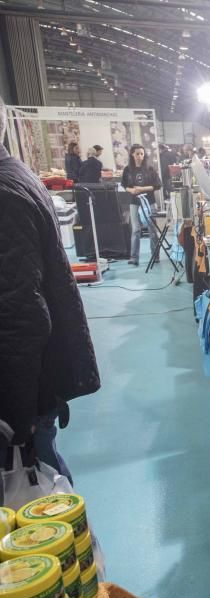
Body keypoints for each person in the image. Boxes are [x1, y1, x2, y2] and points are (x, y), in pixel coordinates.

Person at [0, 96, 101, 490]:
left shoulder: (6, 193)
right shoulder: (14, 175)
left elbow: (19, 311)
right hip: (31, 387)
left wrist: (16, 414)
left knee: (39, 485)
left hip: (22, 394)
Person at [121, 143, 162, 266]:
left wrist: (142, 189)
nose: (140, 156)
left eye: (142, 154)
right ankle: (134, 257)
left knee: (152, 229)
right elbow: (124, 185)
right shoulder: (127, 170)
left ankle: (155, 255)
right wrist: (132, 190)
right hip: (134, 202)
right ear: (132, 154)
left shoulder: (150, 169)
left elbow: (157, 185)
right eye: (137, 153)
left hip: (149, 202)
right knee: (135, 229)